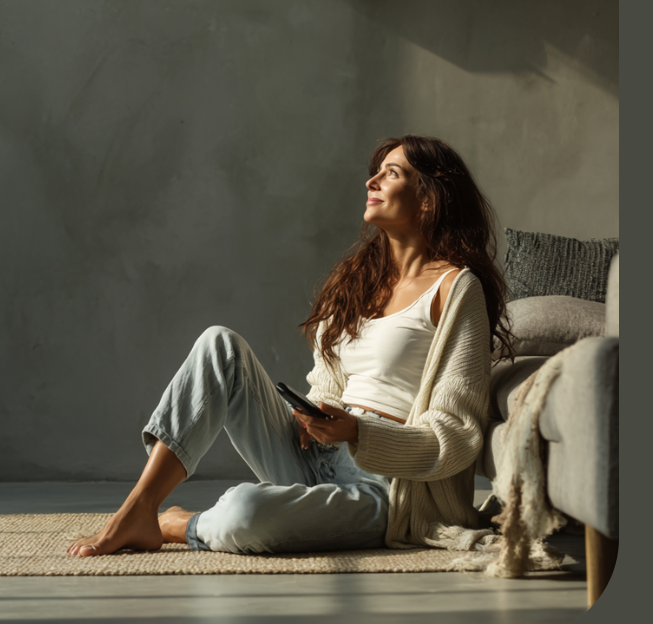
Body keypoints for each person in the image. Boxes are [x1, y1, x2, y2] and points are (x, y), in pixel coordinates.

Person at [67, 135, 514, 556]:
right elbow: (328, 381)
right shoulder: (361, 280)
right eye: (375, 171)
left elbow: (457, 436)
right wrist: (314, 414)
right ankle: (140, 507)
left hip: (389, 486)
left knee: (245, 512)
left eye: (391, 173)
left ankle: (177, 524)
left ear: (428, 197)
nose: (371, 181)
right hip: (314, 454)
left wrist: (357, 432)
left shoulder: (456, 289)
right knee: (218, 344)